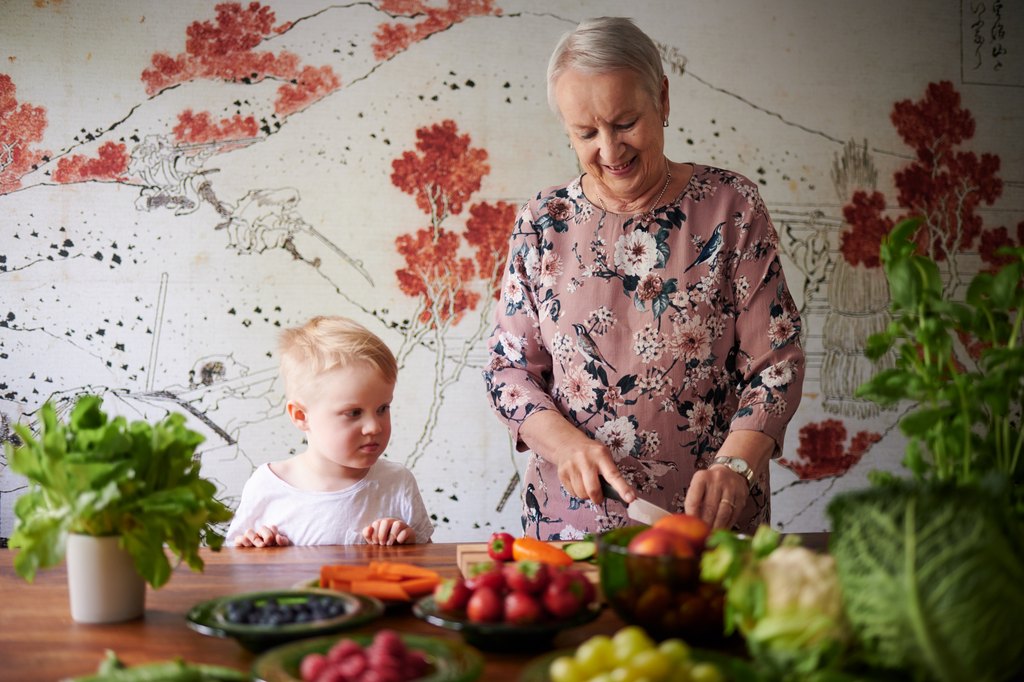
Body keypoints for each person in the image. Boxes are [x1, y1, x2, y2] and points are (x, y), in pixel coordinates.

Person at [483, 17, 804, 540]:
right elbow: (508, 370)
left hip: (711, 524)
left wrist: (738, 466)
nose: (610, 150)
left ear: (663, 99)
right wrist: (565, 447)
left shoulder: (731, 207)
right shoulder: (543, 221)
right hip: (573, 525)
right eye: (586, 133)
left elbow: (776, 360)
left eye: (625, 122)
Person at [227, 315, 434, 546]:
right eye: (354, 413)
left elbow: (428, 560)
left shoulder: (397, 483)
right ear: (301, 416)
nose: (374, 426)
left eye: (382, 408)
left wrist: (407, 541)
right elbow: (235, 562)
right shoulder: (268, 485)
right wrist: (252, 545)